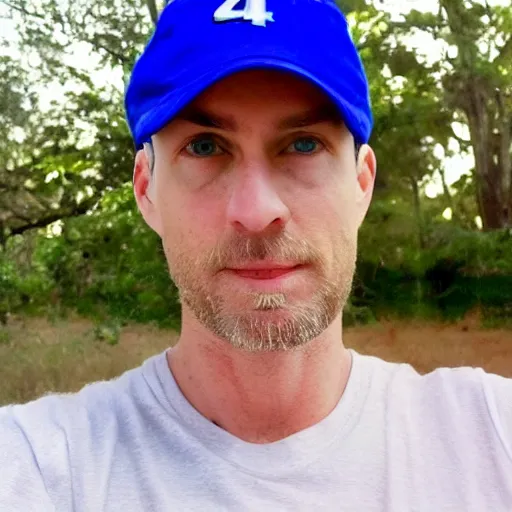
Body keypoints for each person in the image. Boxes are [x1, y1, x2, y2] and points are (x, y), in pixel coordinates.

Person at [1, 0, 511, 509]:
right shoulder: (42, 469)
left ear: (361, 183)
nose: (257, 210)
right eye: (204, 147)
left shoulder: (491, 436)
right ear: (145, 190)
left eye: (304, 144)